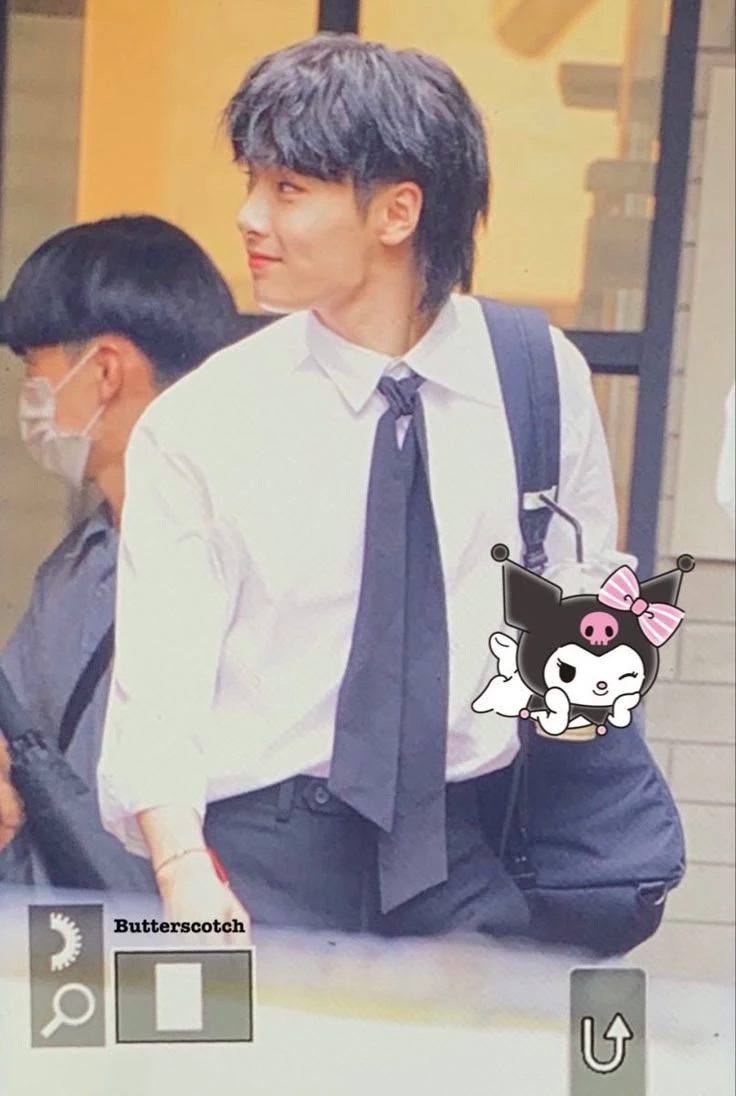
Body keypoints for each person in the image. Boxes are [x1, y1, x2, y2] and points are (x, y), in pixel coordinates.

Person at [97, 36, 639, 939]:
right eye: (252, 183)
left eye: (288, 189)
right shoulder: (206, 420)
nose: (249, 217)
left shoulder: (536, 377)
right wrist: (182, 870)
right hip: (256, 859)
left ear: (397, 211)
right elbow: (159, 685)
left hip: (467, 849)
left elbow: (586, 610)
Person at [0, 215, 242, 886]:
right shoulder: (77, 562)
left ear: (104, 371)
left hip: (194, 927)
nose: (28, 394)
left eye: (34, 366)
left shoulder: (237, 551)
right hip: (69, 929)